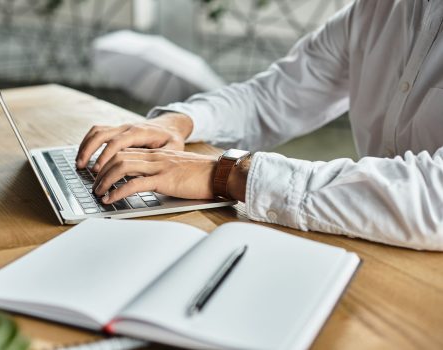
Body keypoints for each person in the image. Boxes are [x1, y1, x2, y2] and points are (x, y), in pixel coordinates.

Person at [76, 0, 443, 251]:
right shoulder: (377, 9)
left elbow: (435, 197)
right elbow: (274, 95)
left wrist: (230, 174)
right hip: (369, 248)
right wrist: (181, 122)